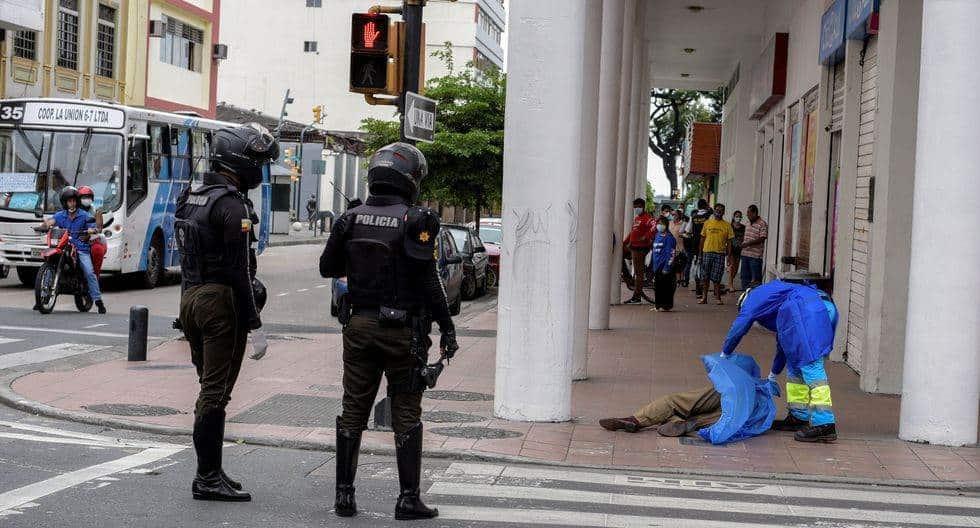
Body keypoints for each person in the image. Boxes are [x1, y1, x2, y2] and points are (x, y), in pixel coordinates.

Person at [319, 142, 459, 520]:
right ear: (410, 179)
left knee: (353, 410)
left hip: (359, 327)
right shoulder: (417, 220)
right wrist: (447, 327)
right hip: (403, 332)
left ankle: (344, 497)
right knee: (406, 413)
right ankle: (408, 498)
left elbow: (327, 267)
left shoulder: (350, 219)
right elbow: (430, 281)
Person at [175, 123, 279, 502]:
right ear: (238, 160)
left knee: (209, 387)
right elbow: (240, 270)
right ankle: (206, 478)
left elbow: (187, 258)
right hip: (220, 304)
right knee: (214, 393)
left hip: (192, 298)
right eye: (257, 162)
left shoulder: (193, 195)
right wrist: (254, 323)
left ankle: (213, 470)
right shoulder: (233, 204)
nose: (260, 170)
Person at [724, 280, 839, 443]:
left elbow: (741, 324)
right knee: (795, 365)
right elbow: (783, 346)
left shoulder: (753, 298)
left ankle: (825, 423)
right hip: (819, 306)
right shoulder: (777, 300)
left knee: (812, 366)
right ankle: (799, 415)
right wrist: (773, 375)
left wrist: (724, 353)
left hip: (809, 311)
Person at [40, 186, 105, 314]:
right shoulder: (60, 215)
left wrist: (92, 230)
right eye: (69, 201)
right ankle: (42, 297)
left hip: (80, 248)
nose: (72, 203)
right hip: (62, 246)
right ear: (65, 202)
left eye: (74, 201)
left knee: (89, 271)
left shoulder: (84, 215)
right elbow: (50, 222)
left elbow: (95, 227)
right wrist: (43, 226)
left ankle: (98, 300)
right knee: (49, 264)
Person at [600, 386, 721, 437]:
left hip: (731, 399)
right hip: (729, 394)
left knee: (674, 402)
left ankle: (634, 420)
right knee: (674, 402)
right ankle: (678, 423)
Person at [698, 203, 734, 305]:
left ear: (724, 212)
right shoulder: (707, 223)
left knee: (717, 278)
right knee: (705, 277)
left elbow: (730, 242)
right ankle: (704, 298)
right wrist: (700, 254)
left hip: (720, 254)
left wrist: (729, 256)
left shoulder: (727, 225)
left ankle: (718, 298)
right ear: (714, 211)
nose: (719, 211)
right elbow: (702, 239)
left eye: (721, 210)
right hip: (707, 252)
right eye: (717, 209)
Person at [623, 198, 656, 304]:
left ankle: (637, 295)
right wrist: (625, 242)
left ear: (642, 206)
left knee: (639, 273)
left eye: (638, 206)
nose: (636, 209)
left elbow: (654, 227)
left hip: (640, 248)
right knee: (635, 271)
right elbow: (633, 232)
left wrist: (645, 237)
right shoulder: (637, 218)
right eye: (635, 207)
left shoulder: (648, 218)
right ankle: (634, 289)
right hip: (633, 247)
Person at [684, 199, 712, 294]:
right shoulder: (709, 216)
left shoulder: (694, 216)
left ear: (698, 206)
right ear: (706, 206)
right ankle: (703, 287)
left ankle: (698, 288)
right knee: (707, 266)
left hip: (695, 243)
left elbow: (688, 230)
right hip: (707, 243)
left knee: (697, 264)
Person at [77, 186, 106, 275]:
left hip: (92, 240)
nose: (87, 199)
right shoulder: (73, 210)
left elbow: (99, 228)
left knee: (97, 250)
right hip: (75, 239)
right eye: (84, 197)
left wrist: (93, 231)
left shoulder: (96, 211)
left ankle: (94, 279)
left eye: (89, 197)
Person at [650, 216, 676, 312]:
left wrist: (667, 267)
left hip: (664, 266)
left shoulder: (669, 238)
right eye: (658, 223)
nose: (659, 225)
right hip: (656, 266)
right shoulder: (657, 235)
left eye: (662, 224)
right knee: (658, 286)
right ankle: (658, 305)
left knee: (665, 286)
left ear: (666, 225)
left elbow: (671, 253)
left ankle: (665, 306)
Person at [740, 205, 768, 289]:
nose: (747, 215)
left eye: (749, 213)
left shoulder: (762, 223)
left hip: (755, 256)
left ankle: (755, 298)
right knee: (744, 277)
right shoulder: (748, 223)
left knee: (756, 279)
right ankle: (745, 296)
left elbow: (762, 238)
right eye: (747, 213)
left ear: (755, 213)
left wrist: (748, 243)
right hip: (745, 254)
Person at [728, 210, 746, 292]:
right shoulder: (730, 226)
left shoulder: (743, 227)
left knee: (736, 267)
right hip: (731, 249)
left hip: (739, 249)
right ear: (734, 217)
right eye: (737, 216)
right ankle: (730, 283)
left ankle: (731, 280)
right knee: (732, 266)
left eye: (739, 216)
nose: (738, 218)